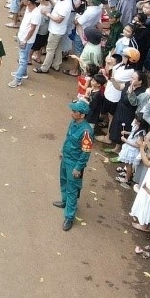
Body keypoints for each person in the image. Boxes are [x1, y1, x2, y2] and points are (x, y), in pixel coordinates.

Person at [55, 99, 95, 231]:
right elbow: (67, 137)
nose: (72, 113)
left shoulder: (87, 132)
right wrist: (62, 149)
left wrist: (78, 167)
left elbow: (86, 152)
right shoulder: (73, 123)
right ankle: (64, 201)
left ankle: (69, 217)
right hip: (66, 158)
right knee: (64, 181)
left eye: (74, 111)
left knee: (72, 189)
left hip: (74, 163)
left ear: (82, 115)